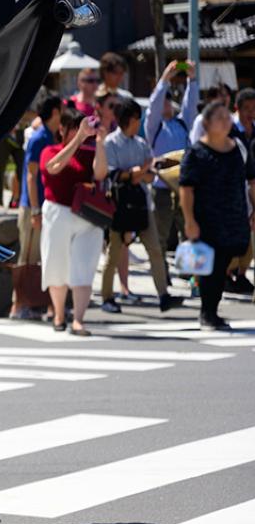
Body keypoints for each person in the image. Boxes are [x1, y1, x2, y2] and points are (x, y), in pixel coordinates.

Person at [179, 100, 255, 330]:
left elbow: (251, 181)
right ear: (207, 123)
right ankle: (208, 312)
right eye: (219, 118)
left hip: (232, 218)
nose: (225, 121)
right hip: (206, 218)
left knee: (223, 265)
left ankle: (211, 310)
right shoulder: (196, 152)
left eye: (226, 117)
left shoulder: (238, 149)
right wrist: (189, 220)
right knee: (209, 268)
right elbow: (186, 188)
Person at [99, 98, 179, 313]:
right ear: (128, 119)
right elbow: (117, 175)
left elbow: (148, 177)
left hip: (142, 203)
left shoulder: (141, 144)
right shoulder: (110, 143)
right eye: (136, 118)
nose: (139, 122)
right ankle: (107, 296)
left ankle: (163, 295)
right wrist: (141, 170)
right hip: (119, 205)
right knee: (113, 253)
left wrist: (145, 170)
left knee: (154, 249)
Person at [40, 108, 108, 336]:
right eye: (75, 127)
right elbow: (53, 168)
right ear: (62, 129)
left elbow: (100, 174)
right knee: (56, 265)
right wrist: (78, 138)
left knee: (84, 267)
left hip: (86, 216)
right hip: (58, 212)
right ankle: (59, 314)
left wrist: (99, 142)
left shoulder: (89, 153)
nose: (82, 131)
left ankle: (78, 319)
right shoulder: (50, 150)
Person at [12, 94, 63, 320]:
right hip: (33, 206)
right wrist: (35, 209)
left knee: (40, 257)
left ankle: (34, 303)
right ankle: (19, 304)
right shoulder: (39, 138)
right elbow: (31, 176)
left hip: (43, 205)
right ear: (54, 113)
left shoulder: (51, 136)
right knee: (28, 257)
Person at [144, 60, 198, 256]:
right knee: (160, 235)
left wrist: (192, 79)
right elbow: (153, 105)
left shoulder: (182, 124)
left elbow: (190, 105)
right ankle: (162, 273)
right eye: (164, 100)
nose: (166, 103)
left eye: (169, 100)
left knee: (188, 233)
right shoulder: (154, 127)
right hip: (161, 187)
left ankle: (188, 273)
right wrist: (165, 78)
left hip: (184, 187)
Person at [224, 88, 255, 294]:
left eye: (254, 109)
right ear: (237, 108)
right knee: (232, 237)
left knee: (249, 241)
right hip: (232, 190)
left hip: (252, 187)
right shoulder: (229, 130)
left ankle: (241, 274)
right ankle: (227, 275)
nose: (251, 113)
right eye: (247, 109)